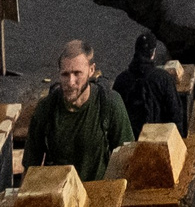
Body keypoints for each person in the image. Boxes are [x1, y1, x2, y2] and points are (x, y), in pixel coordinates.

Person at [24, 40, 134, 181]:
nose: (71, 82)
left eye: (77, 73)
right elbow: (30, 167)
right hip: (59, 197)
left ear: (91, 70)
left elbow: (128, 161)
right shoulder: (46, 109)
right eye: (65, 74)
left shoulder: (109, 104)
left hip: (100, 196)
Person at [113, 33, 189, 136]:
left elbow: (115, 115)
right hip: (160, 140)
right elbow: (175, 113)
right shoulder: (163, 78)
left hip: (132, 142)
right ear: (153, 53)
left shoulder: (121, 80)